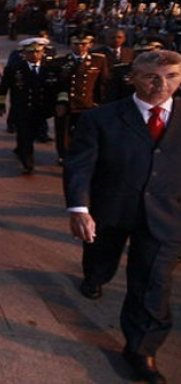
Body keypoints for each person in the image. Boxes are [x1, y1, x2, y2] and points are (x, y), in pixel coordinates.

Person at [64, 50, 181, 384]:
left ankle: (142, 350)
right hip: (110, 210)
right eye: (151, 77)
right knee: (101, 256)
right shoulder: (101, 118)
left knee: (154, 283)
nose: (162, 85)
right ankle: (95, 276)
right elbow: (80, 165)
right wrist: (79, 208)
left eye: (172, 76)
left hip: (167, 216)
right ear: (133, 77)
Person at [0, 38, 57, 173]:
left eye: (38, 52)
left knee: (33, 133)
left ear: (42, 53)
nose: (34, 55)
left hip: (40, 109)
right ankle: (27, 162)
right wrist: (0, 104)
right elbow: (3, 87)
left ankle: (21, 150)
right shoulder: (15, 69)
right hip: (21, 109)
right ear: (24, 53)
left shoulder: (50, 68)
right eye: (30, 53)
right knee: (24, 135)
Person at [50, 35, 109, 164]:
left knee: (86, 132)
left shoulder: (98, 60)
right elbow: (56, 85)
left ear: (89, 45)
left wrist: (99, 103)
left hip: (87, 103)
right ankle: (64, 155)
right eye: (76, 44)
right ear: (71, 45)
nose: (79, 47)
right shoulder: (61, 61)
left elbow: (102, 84)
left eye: (83, 44)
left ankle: (84, 155)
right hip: (67, 103)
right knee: (63, 131)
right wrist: (60, 102)